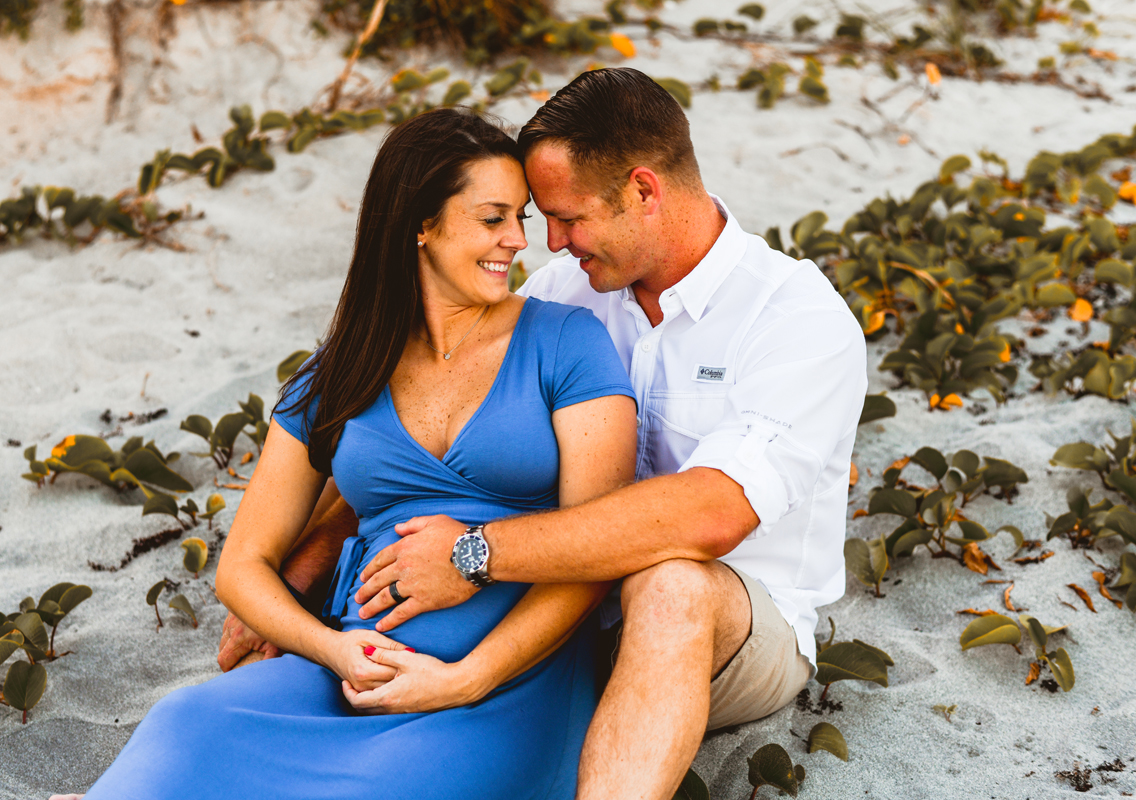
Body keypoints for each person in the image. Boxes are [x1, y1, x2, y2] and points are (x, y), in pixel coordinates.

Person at [222, 68, 868, 799]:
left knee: (671, 585)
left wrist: (473, 553)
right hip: (558, 615)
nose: (549, 244)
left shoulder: (797, 319)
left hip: (732, 623)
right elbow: (434, 424)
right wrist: (303, 568)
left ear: (644, 191)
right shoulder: (569, 292)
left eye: (566, 217)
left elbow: (711, 515)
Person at [68, 107, 639, 799]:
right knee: (184, 721)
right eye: (494, 219)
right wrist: (334, 648)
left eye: (519, 217)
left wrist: (470, 676)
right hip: (350, 676)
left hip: (509, 690)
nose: (518, 241)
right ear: (420, 225)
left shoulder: (567, 342)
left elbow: (597, 550)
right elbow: (244, 566)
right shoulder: (340, 371)